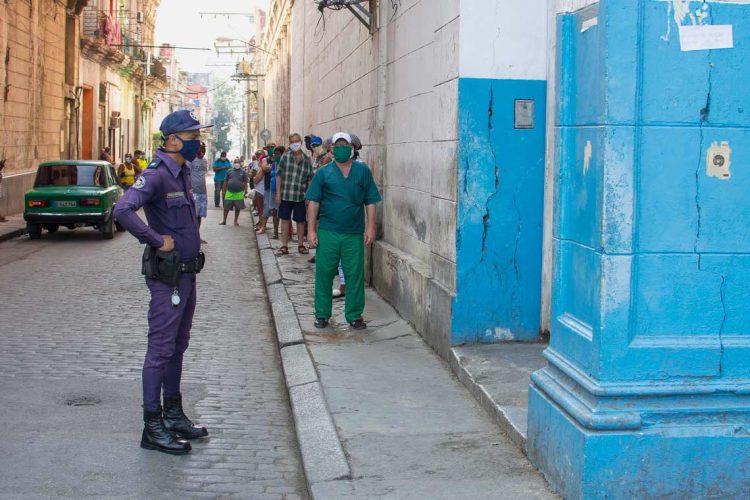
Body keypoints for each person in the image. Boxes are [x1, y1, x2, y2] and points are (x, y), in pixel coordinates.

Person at [113, 109, 212, 455]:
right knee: (159, 350)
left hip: (187, 273)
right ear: (172, 140)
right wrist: (155, 239)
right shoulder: (155, 175)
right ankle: (152, 427)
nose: (197, 143)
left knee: (178, 346)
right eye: (191, 137)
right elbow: (122, 210)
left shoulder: (182, 172)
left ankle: (173, 413)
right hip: (167, 276)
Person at [306, 132, 381, 330]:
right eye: (337, 145)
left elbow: (371, 200)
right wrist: (311, 230)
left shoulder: (362, 171)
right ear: (331, 149)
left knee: (354, 274)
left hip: (354, 233)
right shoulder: (323, 173)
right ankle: (322, 314)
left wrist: (371, 227)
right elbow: (313, 202)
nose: (341, 148)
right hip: (328, 231)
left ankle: (354, 315)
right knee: (324, 272)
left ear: (352, 148)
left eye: (344, 145)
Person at [276, 133, 313, 255]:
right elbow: (279, 175)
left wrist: (309, 195)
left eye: (297, 141)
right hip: (285, 194)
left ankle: (301, 245)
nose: (295, 143)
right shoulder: (285, 157)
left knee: (300, 221)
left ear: (301, 142)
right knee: (285, 220)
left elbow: (310, 179)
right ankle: (284, 246)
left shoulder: (307, 160)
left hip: (300, 196)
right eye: (292, 142)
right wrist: (278, 194)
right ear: (289, 143)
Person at [256, 144, 282, 238]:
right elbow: (264, 168)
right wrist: (275, 167)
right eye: (269, 148)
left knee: (281, 210)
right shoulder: (266, 159)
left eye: (272, 147)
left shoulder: (281, 159)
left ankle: (288, 230)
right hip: (269, 187)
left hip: (281, 188)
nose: (271, 149)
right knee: (267, 208)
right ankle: (263, 227)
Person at [189, 142, 209, 242]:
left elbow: (203, 174)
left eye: (204, 150)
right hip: (194, 192)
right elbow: (187, 175)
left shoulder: (204, 161)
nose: (202, 152)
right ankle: (191, 236)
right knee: (193, 215)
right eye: (200, 150)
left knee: (200, 216)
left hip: (202, 192)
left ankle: (197, 236)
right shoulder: (191, 160)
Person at [220, 160, 248, 226]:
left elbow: (245, 182)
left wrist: (246, 191)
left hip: (239, 193)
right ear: (233, 163)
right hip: (229, 192)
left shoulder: (243, 172)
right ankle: (224, 220)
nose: (237, 164)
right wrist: (223, 190)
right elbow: (225, 181)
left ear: (240, 163)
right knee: (226, 207)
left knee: (238, 208)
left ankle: (235, 221)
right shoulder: (229, 171)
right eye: (235, 162)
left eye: (238, 162)